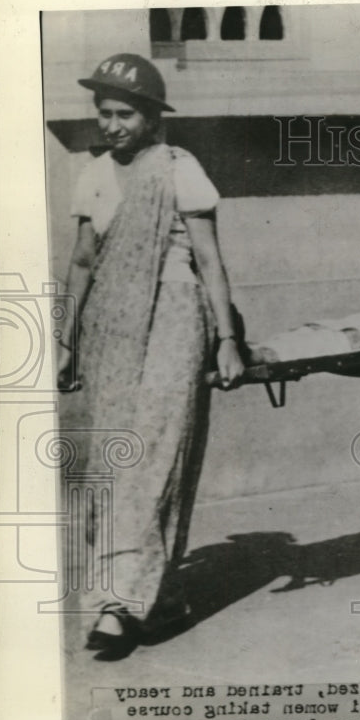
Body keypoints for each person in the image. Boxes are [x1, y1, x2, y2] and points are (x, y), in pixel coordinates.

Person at [56, 53, 245, 659]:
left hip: (172, 316)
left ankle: (117, 605)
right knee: (117, 462)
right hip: (109, 325)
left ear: (152, 116)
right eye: (103, 113)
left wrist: (227, 339)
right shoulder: (91, 174)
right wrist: (64, 339)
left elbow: (211, 261)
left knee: (155, 459)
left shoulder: (178, 170)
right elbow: (83, 262)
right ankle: (158, 602)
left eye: (124, 114)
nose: (111, 125)